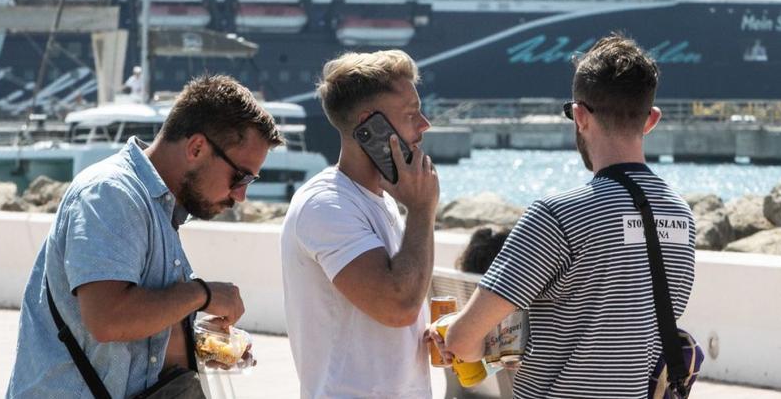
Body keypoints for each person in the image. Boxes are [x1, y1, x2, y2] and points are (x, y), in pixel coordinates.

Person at [434, 34, 697, 398]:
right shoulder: (681, 217)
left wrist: (457, 336)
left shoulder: (558, 215)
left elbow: (464, 340)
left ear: (579, 115)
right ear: (651, 120)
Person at [7, 75, 284, 398]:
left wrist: (205, 347)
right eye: (241, 177)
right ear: (196, 148)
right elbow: (108, 319)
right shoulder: (111, 193)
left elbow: (138, 335)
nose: (240, 196)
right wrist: (202, 294)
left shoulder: (159, 207)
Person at [280, 50, 440, 398]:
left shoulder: (381, 202)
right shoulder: (326, 205)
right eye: (412, 114)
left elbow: (398, 316)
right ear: (370, 125)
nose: (424, 124)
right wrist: (422, 209)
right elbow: (398, 307)